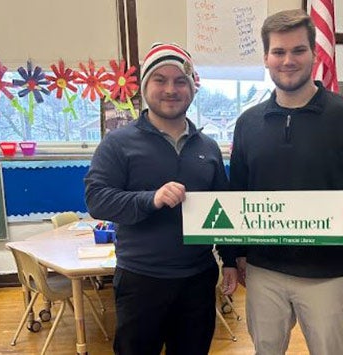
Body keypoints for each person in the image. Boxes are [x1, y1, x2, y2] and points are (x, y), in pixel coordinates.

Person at [229, 9, 343, 355]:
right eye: (278, 52)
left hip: (327, 274)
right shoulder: (248, 123)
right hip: (264, 271)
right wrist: (236, 255)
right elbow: (238, 195)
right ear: (266, 58)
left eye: (298, 50)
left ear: (314, 54)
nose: (288, 60)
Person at [84, 42, 238, 355]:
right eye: (160, 80)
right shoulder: (117, 143)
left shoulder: (207, 147)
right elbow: (97, 200)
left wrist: (231, 260)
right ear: (145, 87)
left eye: (180, 81)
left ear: (192, 89)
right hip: (141, 281)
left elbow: (223, 208)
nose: (171, 89)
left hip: (197, 280)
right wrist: (151, 199)